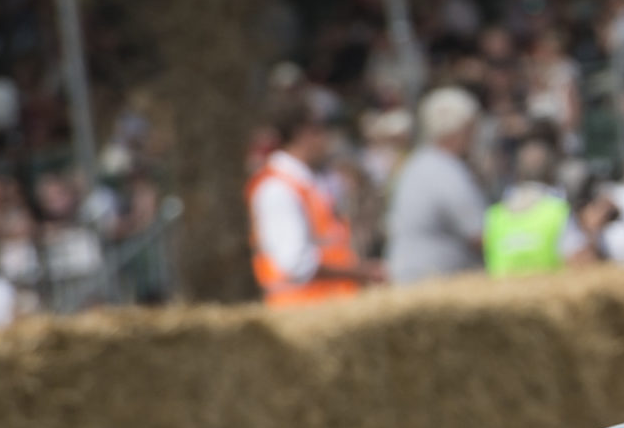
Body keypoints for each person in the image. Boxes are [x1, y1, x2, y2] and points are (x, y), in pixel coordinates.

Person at [247, 94, 372, 306]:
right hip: (302, 310)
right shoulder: (278, 189)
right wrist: (363, 272)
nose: (327, 139)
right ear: (303, 133)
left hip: (321, 309)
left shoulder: (303, 183)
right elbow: (297, 265)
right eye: (322, 129)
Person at [384, 86, 488, 285]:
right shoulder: (446, 171)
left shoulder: (417, 164)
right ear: (460, 130)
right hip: (431, 286)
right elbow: (480, 235)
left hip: (410, 280)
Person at [485, 138, 579, 277]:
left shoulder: (494, 215)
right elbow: (577, 262)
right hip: (549, 294)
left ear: (518, 173)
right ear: (551, 173)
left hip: (503, 296)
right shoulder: (558, 211)